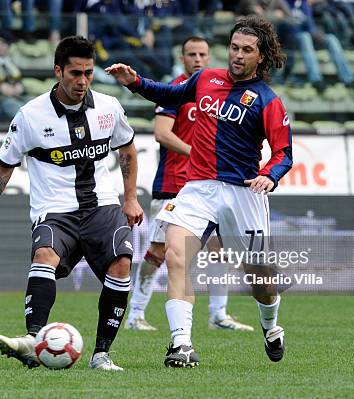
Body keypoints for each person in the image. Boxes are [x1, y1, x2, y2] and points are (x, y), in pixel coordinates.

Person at [106, 15, 293, 367]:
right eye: (234, 47)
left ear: (261, 56)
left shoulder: (268, 101)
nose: (237, 55)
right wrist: (136, 82)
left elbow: (284, 153)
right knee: (176, 256)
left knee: (260, 279)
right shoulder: (205, 78)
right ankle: (181, 345)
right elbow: (171, 94)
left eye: (247, 50)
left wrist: (270, 175)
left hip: (243, 194)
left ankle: (271, 327)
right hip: (198, 188)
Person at [0, 36, 143, 371]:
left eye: (88, 73)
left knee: (122, 263)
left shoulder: (108, 107)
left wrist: (130, 198)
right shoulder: (30, 116)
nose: (82, 81)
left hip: (102, 205)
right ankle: (33, 340)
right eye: (75, 73)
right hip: (55, 210)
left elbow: (127, 148)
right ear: (58, 71)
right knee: (45, 255)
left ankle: (101, 354)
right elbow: (2, 167)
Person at [125, 36, 254, 334]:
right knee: (158, 252)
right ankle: (135, 314)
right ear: (182, 58)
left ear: (210, 58)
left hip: (210, 186)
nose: (197, 59)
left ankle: (219, 313)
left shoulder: (217, 89)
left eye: (202, 54)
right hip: (174, 184)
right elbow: (162, 133)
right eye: (191, 54)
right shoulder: (175, 91)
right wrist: (199, 153)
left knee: (220, 250)